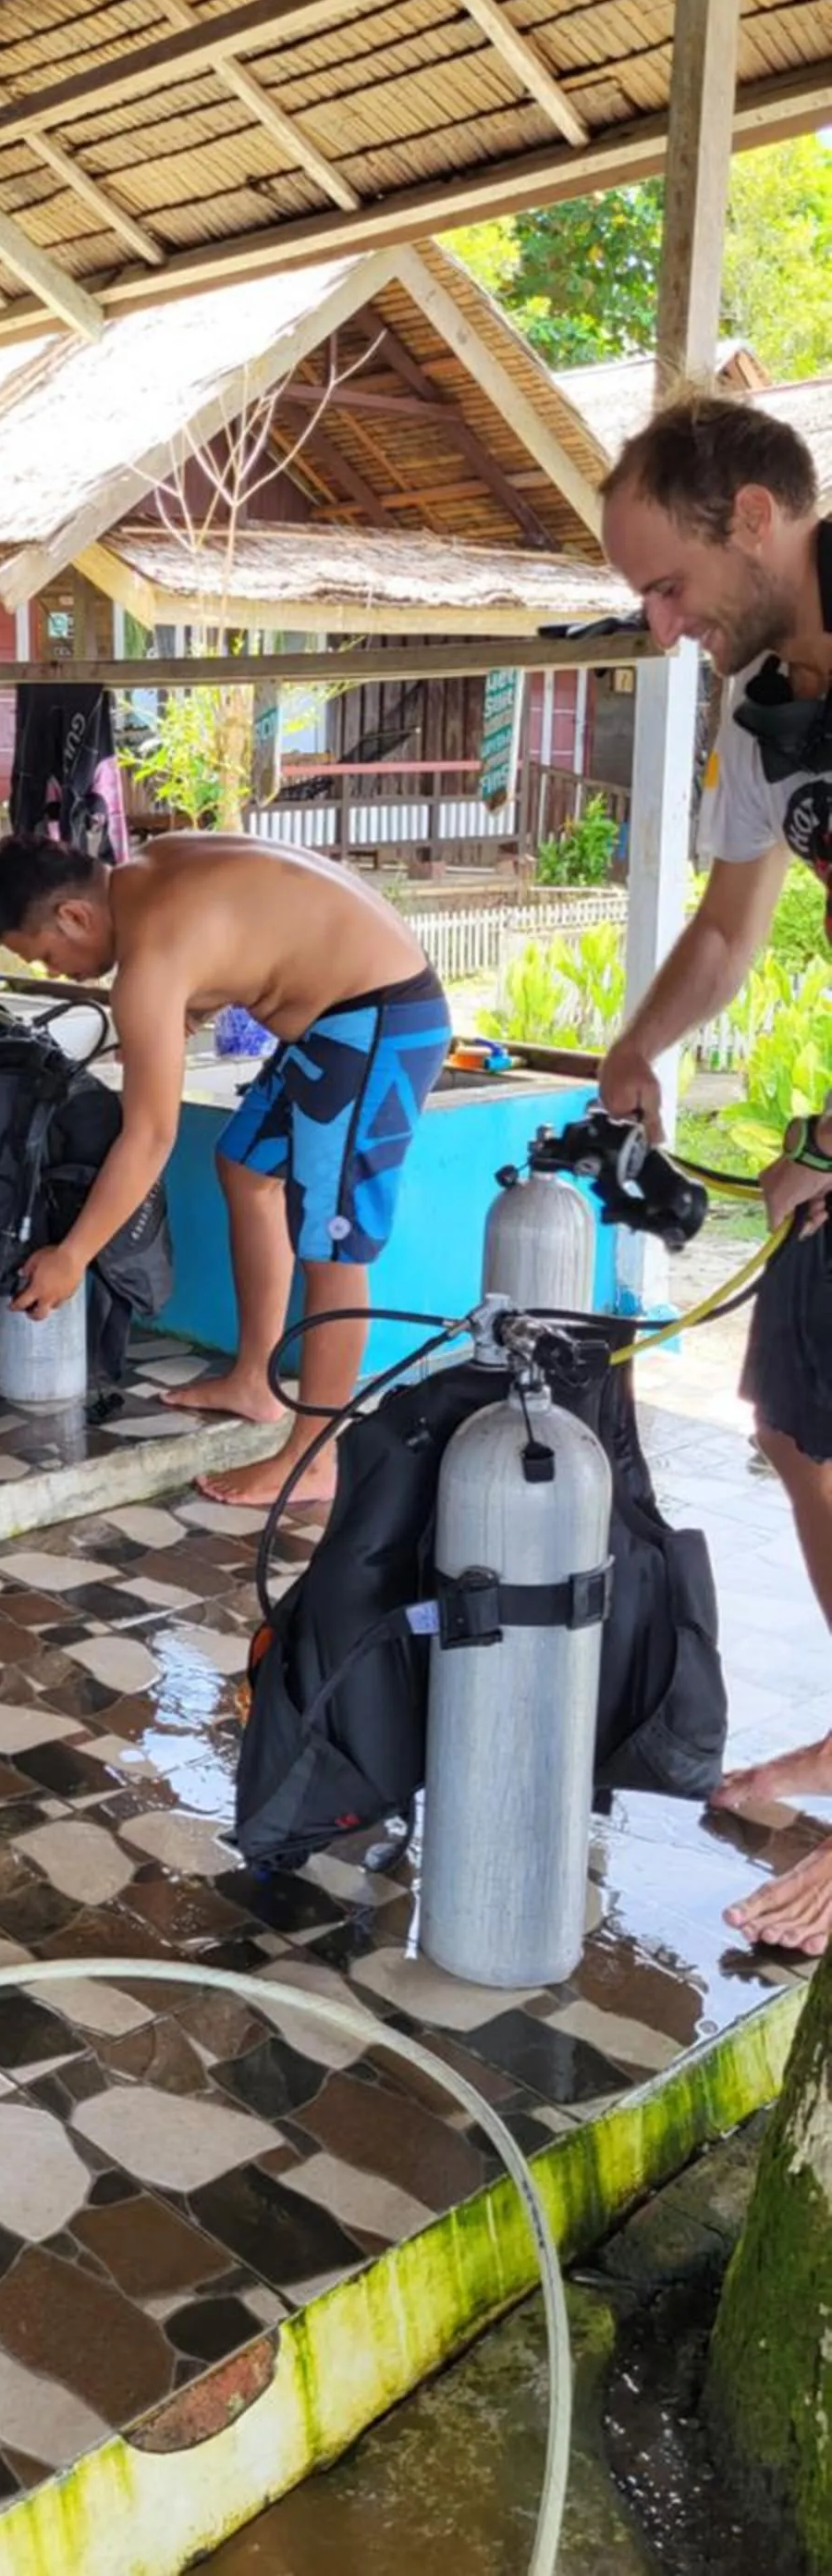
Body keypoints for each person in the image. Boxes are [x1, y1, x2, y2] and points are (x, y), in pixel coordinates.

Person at [600, 388, 832, 1954]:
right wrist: (637, 1046)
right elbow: (729, 928)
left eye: (669, 585)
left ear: (754, 517)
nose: (662, 623)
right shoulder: (765, 702)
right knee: (796, 1416)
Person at [0, 829, 451, 1510]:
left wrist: (72, 1256)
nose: (58, 973)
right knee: (245, 1165)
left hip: (381, 1016)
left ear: (73, 915)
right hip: (340, 1012)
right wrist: (197, 1001)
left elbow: (150, 1136)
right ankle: (255, 1381)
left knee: (333, 1239)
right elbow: (257, 928)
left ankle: (317, 1457)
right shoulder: (154, 869)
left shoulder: (150, 958)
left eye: (48, 957)